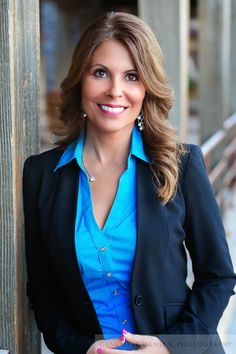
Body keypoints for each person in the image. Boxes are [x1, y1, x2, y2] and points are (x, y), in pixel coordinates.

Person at [23, 11, 236, 354]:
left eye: (132, 76)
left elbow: (218, 277)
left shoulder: (181, 166)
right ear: (81, 81)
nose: (115, 90)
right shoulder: (40, 175)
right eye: (101, 73)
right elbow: (43, 290)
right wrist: (80, 349)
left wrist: (170, 346)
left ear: (146, 88)